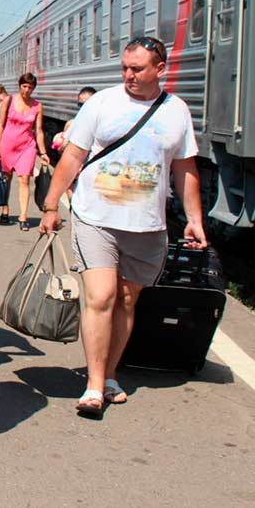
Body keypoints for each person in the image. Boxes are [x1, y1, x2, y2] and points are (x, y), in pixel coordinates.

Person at [38, 37, 207, 417]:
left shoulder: (177, 111)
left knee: (127, 302)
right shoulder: (102, 103)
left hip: (146, 224)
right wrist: (51, 204)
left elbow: (184, 169)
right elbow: (73, 156)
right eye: (125, 68)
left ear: (159, 69)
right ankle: (95, 385)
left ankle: (110, 374)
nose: (129, 75)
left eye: (138, 69)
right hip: (95, 216)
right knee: (100, 297)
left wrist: (194, 220)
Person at [0, 72, 50, 230]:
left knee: (24, 179)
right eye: (24, 86)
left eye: (30, 88)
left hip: (27, 146)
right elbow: (0, 125)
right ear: (19, 86)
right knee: (7, 179)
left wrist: (43, 152)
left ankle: (23, 216)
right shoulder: (8, 100)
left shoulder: (37, 106)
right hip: (8, 145)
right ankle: (5, 208)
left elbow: (38, 131)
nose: (27, 90)